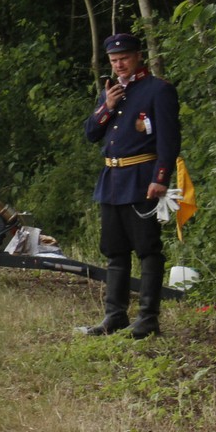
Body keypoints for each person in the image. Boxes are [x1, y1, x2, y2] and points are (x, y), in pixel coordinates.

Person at [77, 32, 180, 339]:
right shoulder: (110, 91)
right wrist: (106, 106)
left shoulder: (158, 90)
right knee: (115, 251)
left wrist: (160, 178)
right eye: (114, 60)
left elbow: (169, 140)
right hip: (112, 180)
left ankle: (148, 318)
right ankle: (115, 316)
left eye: (124, 59)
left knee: (148, 249)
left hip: (141, 179)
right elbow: (91, 134)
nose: (119, 65)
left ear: (137, 57)